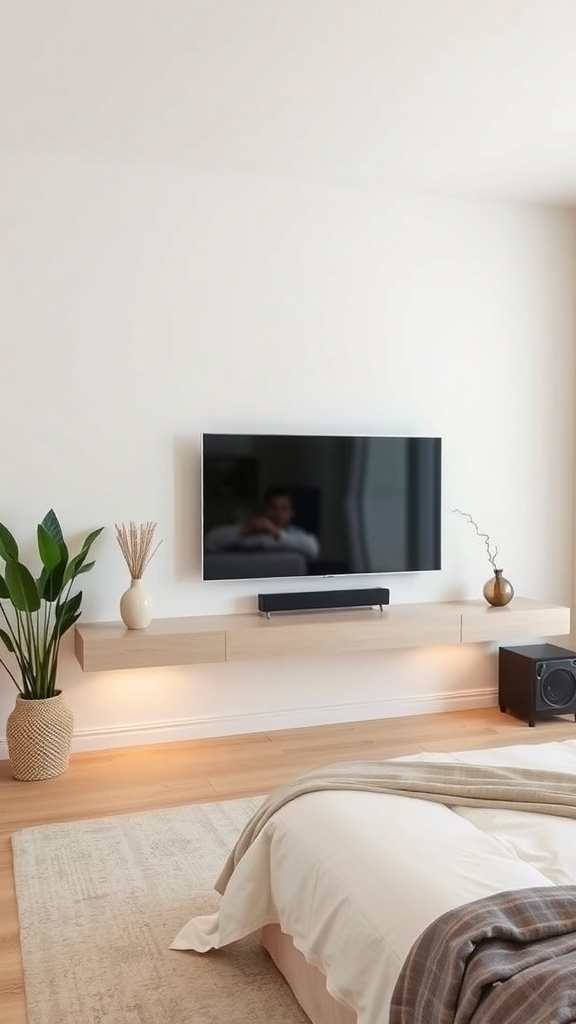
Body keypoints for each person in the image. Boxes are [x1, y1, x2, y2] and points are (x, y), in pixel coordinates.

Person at [205, 486, 319, 561]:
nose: (278, 513)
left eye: (284, 508)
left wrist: (276, 532)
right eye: (273, 507)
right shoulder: (249, 530)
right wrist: (243, 531)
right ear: (265, 509)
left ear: (291, 513)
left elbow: (313, 549)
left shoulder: (296, 534)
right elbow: (210, 542)